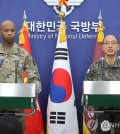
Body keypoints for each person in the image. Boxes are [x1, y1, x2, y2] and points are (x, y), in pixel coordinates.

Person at [0, 20, 42, 130]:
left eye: (12, 30)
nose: (9, 33)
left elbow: (34, 77)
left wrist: (32, 93)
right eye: (6, 30)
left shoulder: (23, 54)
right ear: (1, 32)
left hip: (17, 108)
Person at [85, 34, 120, 134]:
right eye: (107, 43)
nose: (110, 46)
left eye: (113, 43)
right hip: (101, 116)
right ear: (102, 47)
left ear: (118, 47)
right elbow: (87, 92)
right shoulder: (94, 68)